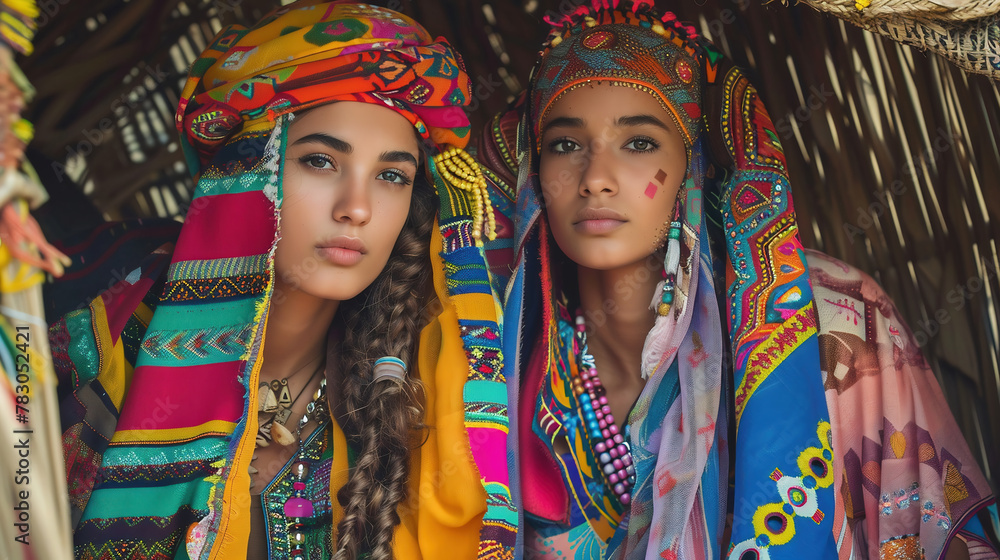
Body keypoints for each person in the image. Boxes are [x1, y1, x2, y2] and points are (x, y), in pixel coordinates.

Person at [474, 1, 999, 558]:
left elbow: (939, 538)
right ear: (535, 170)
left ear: (690, 165)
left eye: (639, 143)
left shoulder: (839, 321)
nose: (596, 179)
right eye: (565, 145)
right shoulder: (500, 354)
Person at [49, 2, 514, 559]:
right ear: (244, 173)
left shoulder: (413, 404)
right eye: (320, 162)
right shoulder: (90, 353)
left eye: (391, 176)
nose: (357, 208)